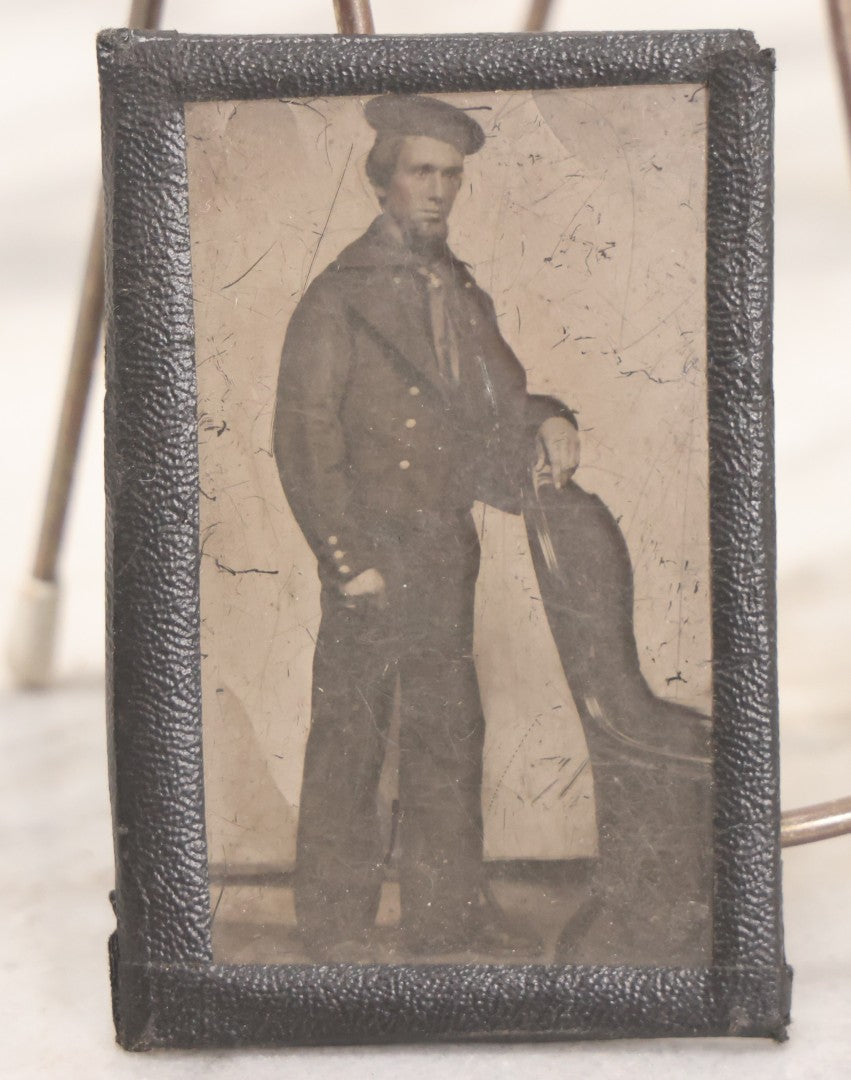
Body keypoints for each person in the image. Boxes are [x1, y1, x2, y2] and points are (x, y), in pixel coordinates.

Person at [273, 94, 580, 958]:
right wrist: (347, 560)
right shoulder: (340, 296)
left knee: (448, 727)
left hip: (444, 546)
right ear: (383, 181)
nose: (438, 191)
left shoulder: (459, 290)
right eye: (421, 171)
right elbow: (304, 439)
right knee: (351, 731)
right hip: (371, 550)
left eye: (451, 175)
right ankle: (331, 925)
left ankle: (446, 916)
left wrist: (548, 417)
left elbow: (498, 396)